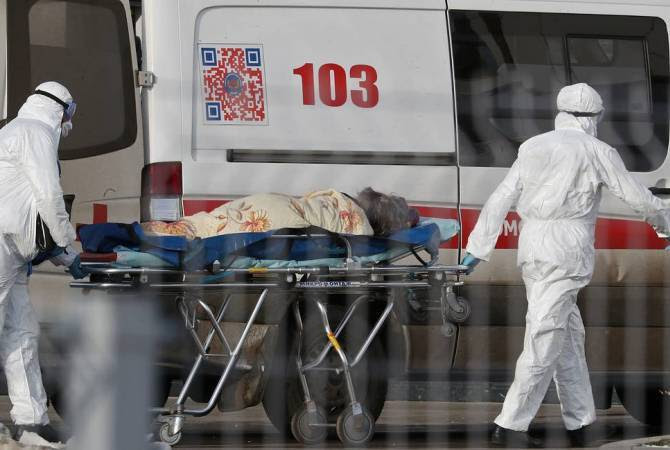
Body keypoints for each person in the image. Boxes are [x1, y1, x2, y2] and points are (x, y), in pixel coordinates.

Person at [461, 83, 670, 447]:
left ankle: (582, 424)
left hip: (533, 247)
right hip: (565, 252)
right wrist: (666, 224)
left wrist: (477, 248)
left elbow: (502, 196)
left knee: (568, 338)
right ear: (594, 117)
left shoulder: (533, 146)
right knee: (544, 338)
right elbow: (638, 197)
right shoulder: (597, 150)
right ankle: (510, 426)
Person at [0, 82, 88, 446]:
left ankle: (31, 420)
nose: (70, 121)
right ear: (57, 108)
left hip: (13, 254)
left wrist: (65, 257)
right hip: (2, 246)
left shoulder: (22, 132)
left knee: (22, 332)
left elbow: (31, 212)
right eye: (70, 112)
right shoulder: (34, 133)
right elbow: (49, 198)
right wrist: (69, 244)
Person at [142, 187, 419, 238]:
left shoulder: (338, 199)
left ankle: (153, 231)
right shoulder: (361, 228)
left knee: (211, 222)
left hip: (272, 201)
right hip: (281, 215)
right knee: (215, 231)